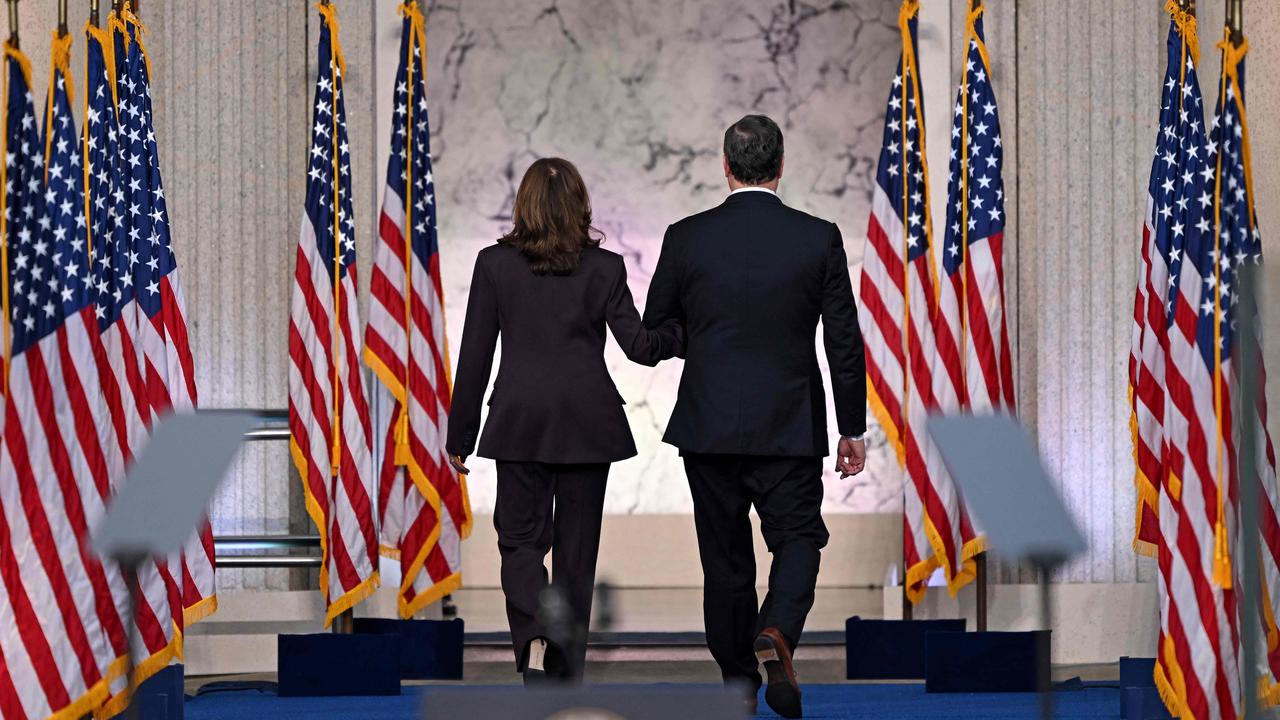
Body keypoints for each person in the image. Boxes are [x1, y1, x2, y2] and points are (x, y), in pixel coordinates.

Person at [643, 114, 867, 718]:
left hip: (709, 424)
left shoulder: (686, 236)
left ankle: (739, 684)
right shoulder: (818, 237)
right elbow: (844, 340)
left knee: (725, 560)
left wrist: (706, 342)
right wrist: (852, 427)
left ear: (725, 166)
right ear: (780, 166)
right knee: (798, 538)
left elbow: (659, 326)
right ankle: (779, 633)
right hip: (789, 424)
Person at [446, 157, 683, 685]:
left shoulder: (493, 265)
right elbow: (641, 348)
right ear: (580, 205)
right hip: (586, 423)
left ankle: (533, 632)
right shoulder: (606, 268)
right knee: (577, 554)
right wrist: (686, 333)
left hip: (519, 422)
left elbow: (475, 355)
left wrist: (460, 434)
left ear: (522, 204)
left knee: (520, 543)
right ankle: (564, 666)